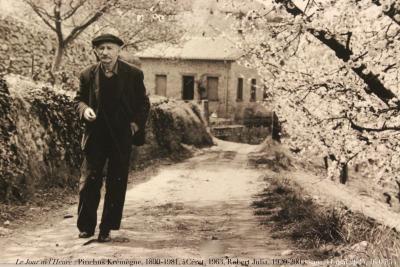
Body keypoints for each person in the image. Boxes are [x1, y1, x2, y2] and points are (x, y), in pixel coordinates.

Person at [74, 33, 150, 242]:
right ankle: (86, 226)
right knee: (89, 181)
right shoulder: (87, 74)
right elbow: (78, 100)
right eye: (101, 49)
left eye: (109, 48)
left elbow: (143, 104)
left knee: (116, 182)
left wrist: (135, 124)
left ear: (118, 50)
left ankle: (107, 227)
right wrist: (85, 109)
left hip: (120, 136)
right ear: (96, 52)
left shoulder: (133, 74)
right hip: (95, 135)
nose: (105, 52)